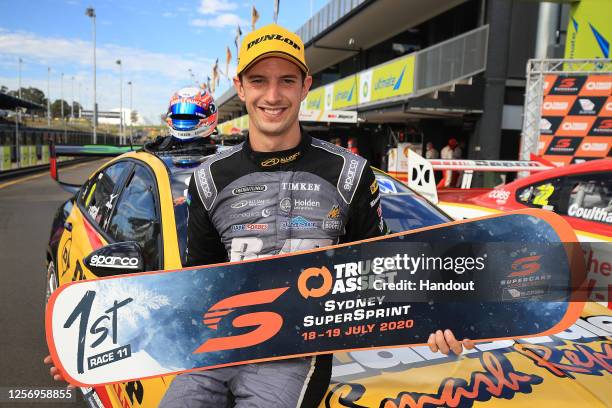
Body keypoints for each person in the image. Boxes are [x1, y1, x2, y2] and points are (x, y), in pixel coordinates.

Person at [45, 23, 474, 406]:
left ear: (305, 85)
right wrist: (90, 348)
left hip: (294, 351)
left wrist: (435, 317)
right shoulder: (209, 177)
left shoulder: (350, 173)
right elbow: (195, 285)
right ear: (242, 86)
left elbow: (387, 266)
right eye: (259, 81)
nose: (273, 95)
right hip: (213, 347)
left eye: (286, 80)